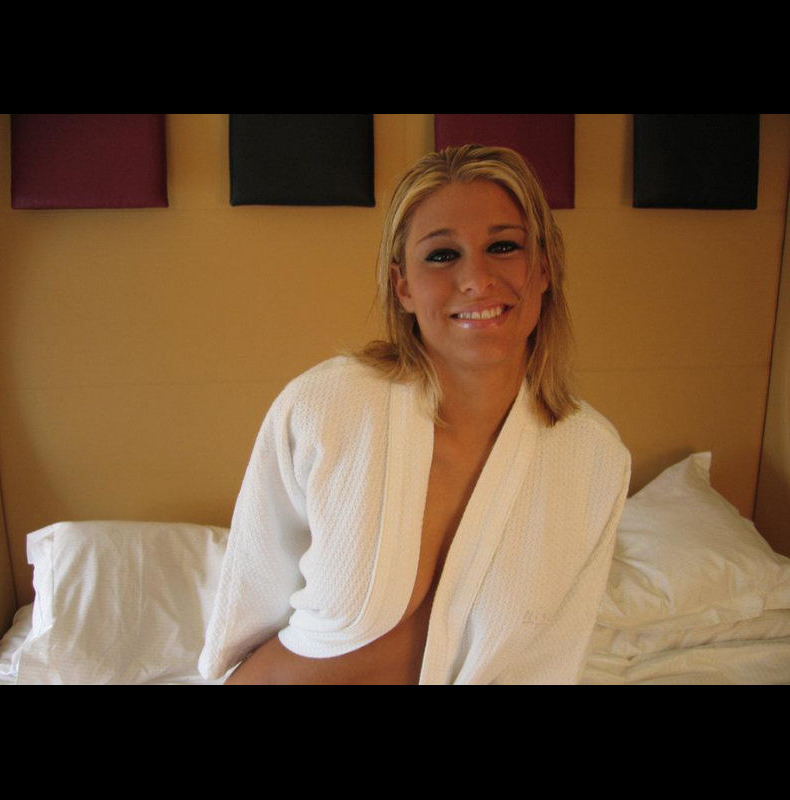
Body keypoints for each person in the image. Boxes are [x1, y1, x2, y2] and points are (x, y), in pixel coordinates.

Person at [198, 144, 631, 684]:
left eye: (503, 246)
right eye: (442, 255)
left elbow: (549, 663)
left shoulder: (593, 457)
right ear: (402, 285)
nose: (476, 279)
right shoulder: (326, 408)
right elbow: (247, 606)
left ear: (544, 269)